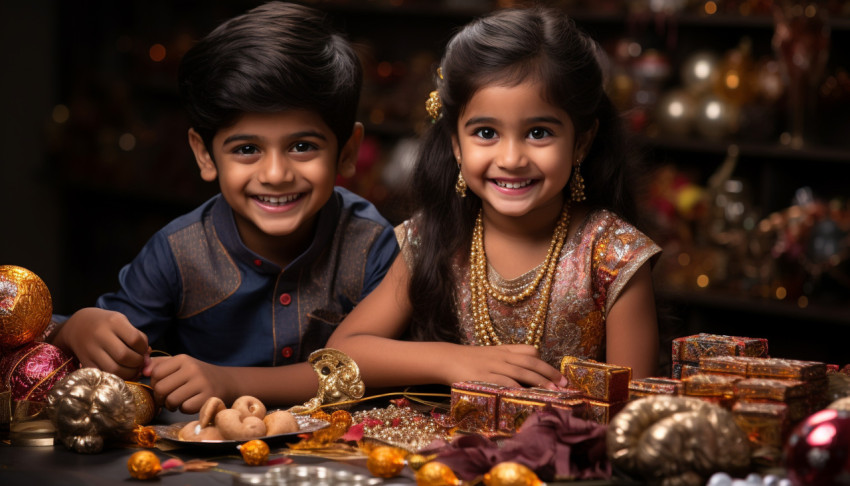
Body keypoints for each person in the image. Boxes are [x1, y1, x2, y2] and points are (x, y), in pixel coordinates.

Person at [47, 2, 399, 414]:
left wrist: (227, 381)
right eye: (247, 149)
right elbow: (113, 353)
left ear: (347, 152)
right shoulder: (177, 252)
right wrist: (72, 330)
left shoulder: (371, 243)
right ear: (205, 155)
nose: (275, 173)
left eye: (302, 146)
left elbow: (382, 372)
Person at [327, 5, 660, 390]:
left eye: (538, 133)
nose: (511, 159)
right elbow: (343, 352)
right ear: (456, 143)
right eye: (486, 133)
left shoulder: (614, 256)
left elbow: (634, 414)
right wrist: (453, 361)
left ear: (581, 141)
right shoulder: (434, 236)